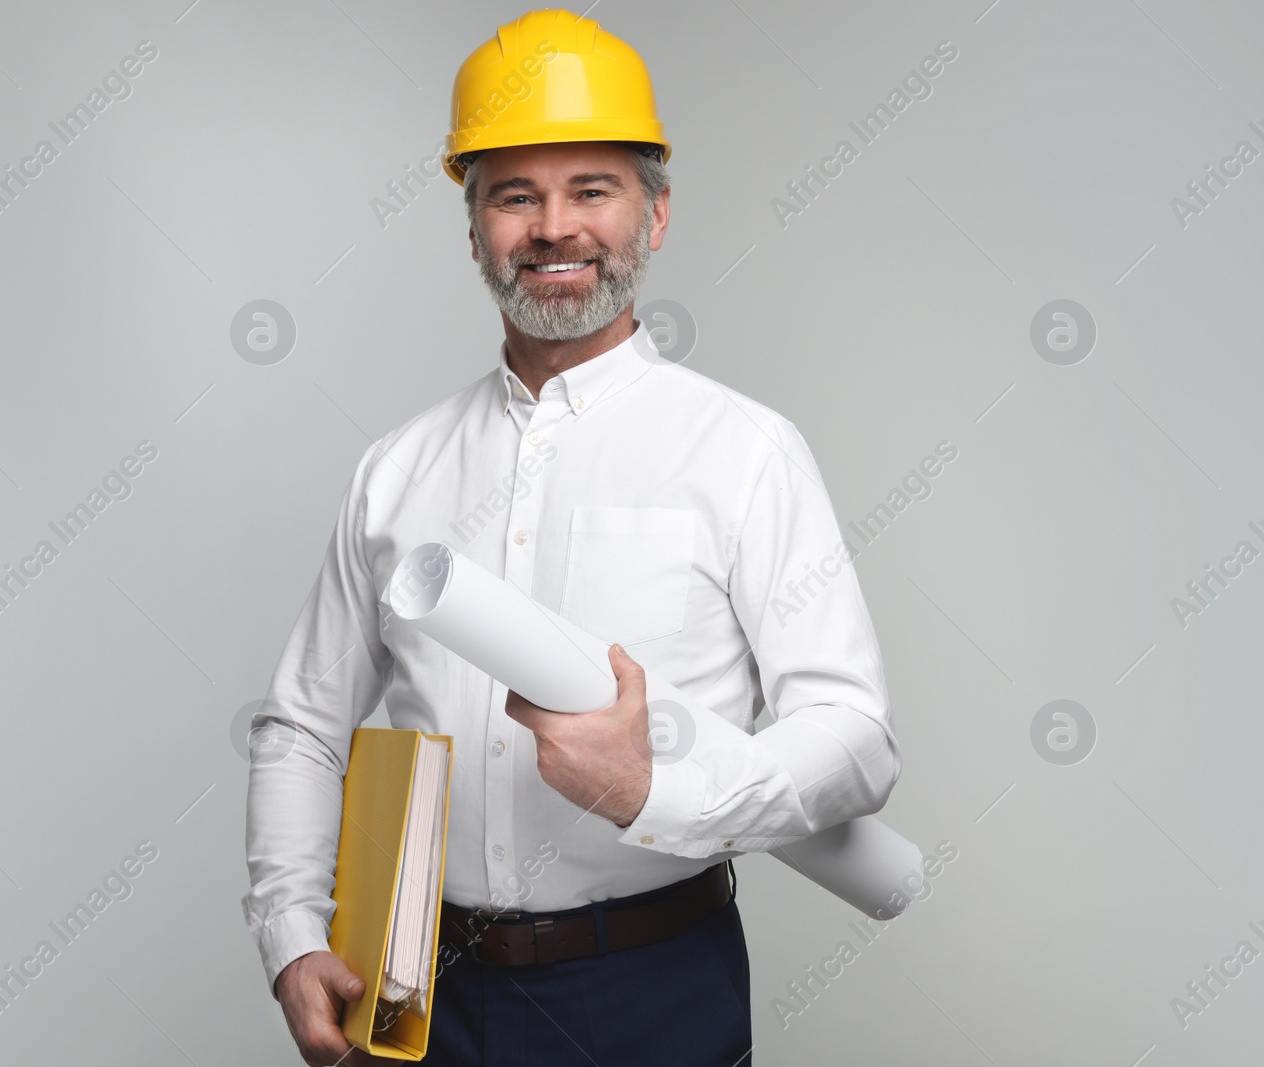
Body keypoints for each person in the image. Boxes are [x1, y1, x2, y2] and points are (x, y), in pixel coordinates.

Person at [242, 10, 902, 1065]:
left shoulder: (744, 452)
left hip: (648, 985)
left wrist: (656, 793)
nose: (554, 227)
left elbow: (855, 733)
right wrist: (289, 931)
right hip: (414, 987)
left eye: (591, 189)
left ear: (655, 214)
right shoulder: (396, 469)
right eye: (515, 194)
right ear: (473, 231)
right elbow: (302, 725)